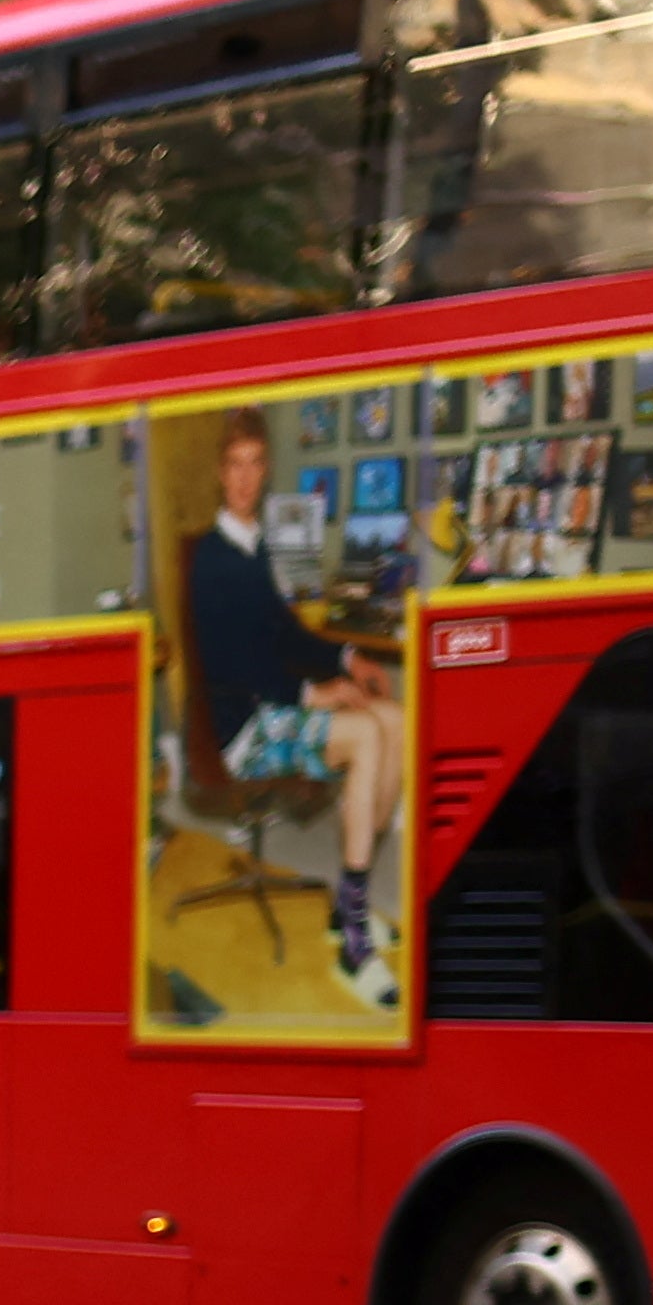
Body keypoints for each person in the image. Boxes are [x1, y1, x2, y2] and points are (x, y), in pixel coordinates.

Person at [177, 410, 405, 1003]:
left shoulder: (255, 549)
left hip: (270, 706)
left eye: (255, 463)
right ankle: (355, 942)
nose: (246, 477)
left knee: (395, 719)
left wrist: (350, 658)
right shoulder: (212, 560)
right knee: (368, 737)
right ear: (220, 475)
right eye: (235, 465)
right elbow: (233, 667)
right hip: (243, 730)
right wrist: (317, 692)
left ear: (266, 469)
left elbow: (284, 635)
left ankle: (345, 903)